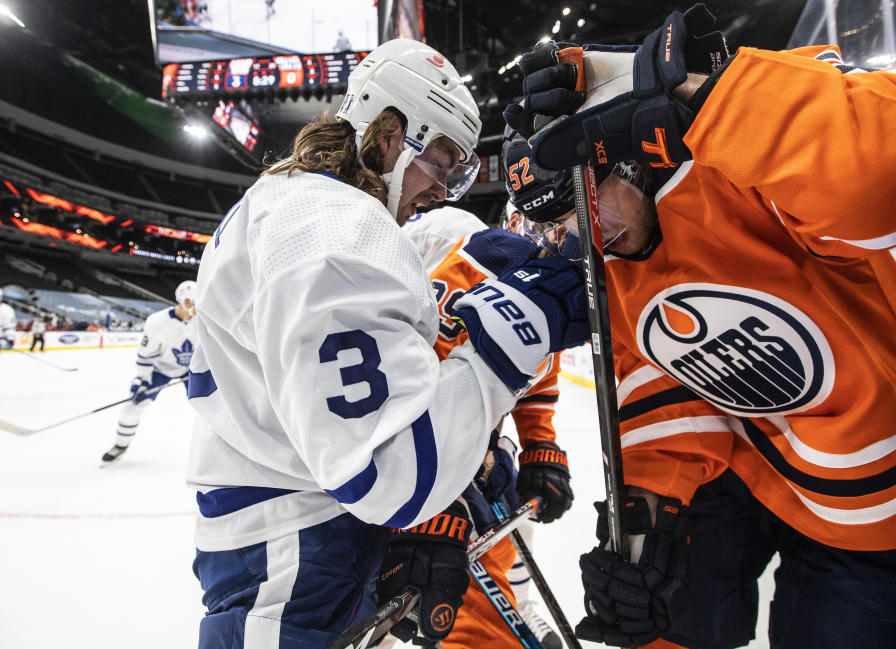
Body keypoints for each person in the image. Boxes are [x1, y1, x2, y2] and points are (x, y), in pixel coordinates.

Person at [502, 9, 896, 648]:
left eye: (584, 201)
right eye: (557, 227)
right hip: (746, 470)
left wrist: (708, 93)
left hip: (877, 502)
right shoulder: (612, 259)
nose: (580, 235)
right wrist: (643, 526)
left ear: (626, 162)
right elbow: (651, 384)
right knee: (670, 623)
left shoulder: (736, 156)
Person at [184, 38, 588, 649]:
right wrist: (513, 330)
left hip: (290, 531)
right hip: (294, 551)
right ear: (393, 134)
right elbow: (385, 473)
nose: (443, 192)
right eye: (442, 164)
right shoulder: (333, 231)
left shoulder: (296, 204)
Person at [403, 204, 574, 649]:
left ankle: (521, 605)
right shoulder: (474, 262)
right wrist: (441, 489)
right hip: (402, 471)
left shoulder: (547, 282)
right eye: (557, 229)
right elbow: (408, 393)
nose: (562, 241)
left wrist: (540, 443)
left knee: (509, 525)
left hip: (465, 456)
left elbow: (535, 367)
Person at [100, 280, 196, 466]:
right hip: (160, 369)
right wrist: (141, 380)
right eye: (188, 302)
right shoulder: (157, 322)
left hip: (191, 369)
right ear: (179, 300)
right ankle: (121, 445)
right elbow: (145, 356)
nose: (192, 308)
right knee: (133, 406)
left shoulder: (203, 320)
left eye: (196, 303)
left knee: (211, 406)